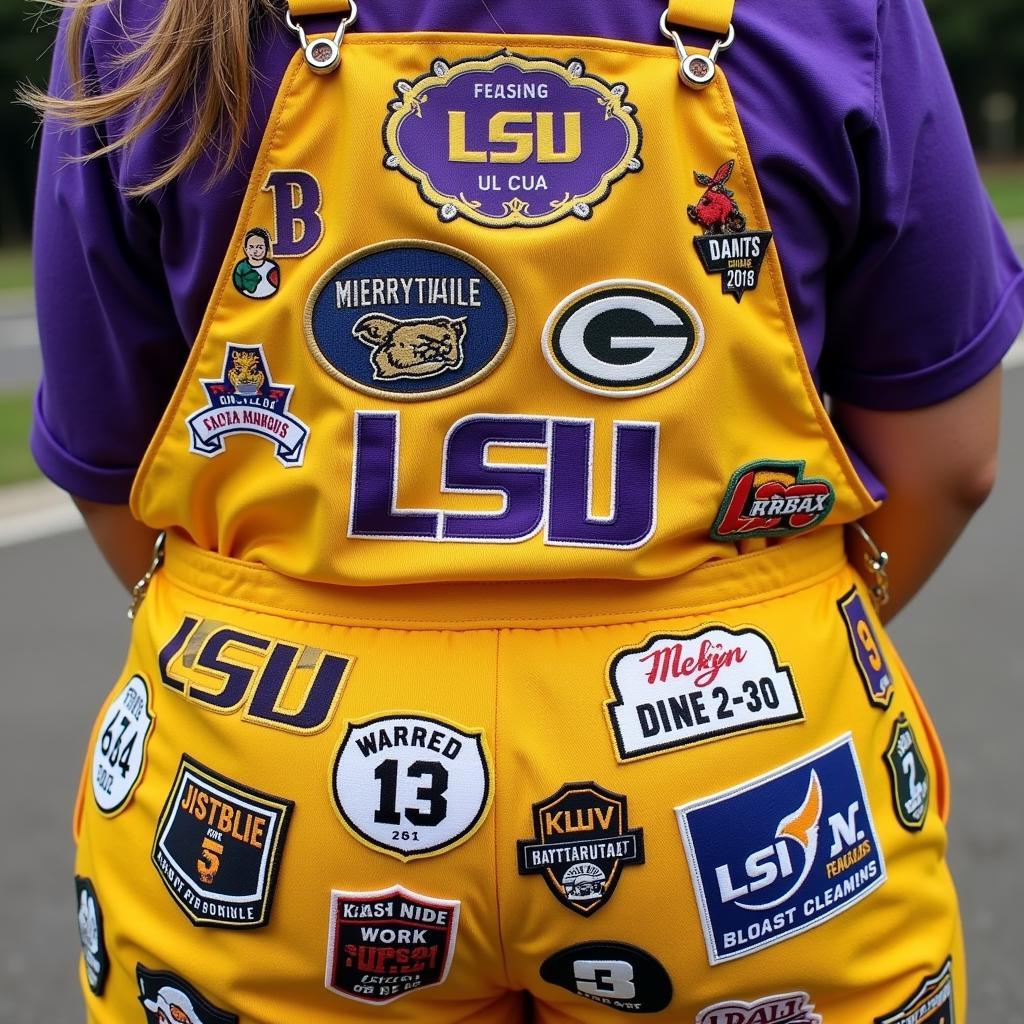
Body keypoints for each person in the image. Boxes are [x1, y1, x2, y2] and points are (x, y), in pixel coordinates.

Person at [29, 0, 1023, 1022]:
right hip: (739, 778)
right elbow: (947, 463)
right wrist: (759, 645)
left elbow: (114, 474)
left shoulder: (135, 21)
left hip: (270, 773)